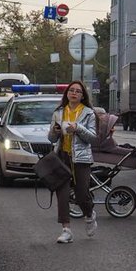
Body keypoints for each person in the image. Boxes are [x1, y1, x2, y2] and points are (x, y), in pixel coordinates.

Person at [46, 81, 98, 244]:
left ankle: (89, 215)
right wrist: (54, 132)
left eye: (78, 91)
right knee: (62, 194)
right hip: (62, 156)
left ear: (83, 96)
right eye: (71, 90)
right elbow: (51, 138)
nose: (74, 93)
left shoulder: (88, 113)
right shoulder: (58, 112)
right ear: (67, 93)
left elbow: (92, 138)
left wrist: (77, 128)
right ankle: (66, 230)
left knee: (82, 195)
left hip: (81, 159)